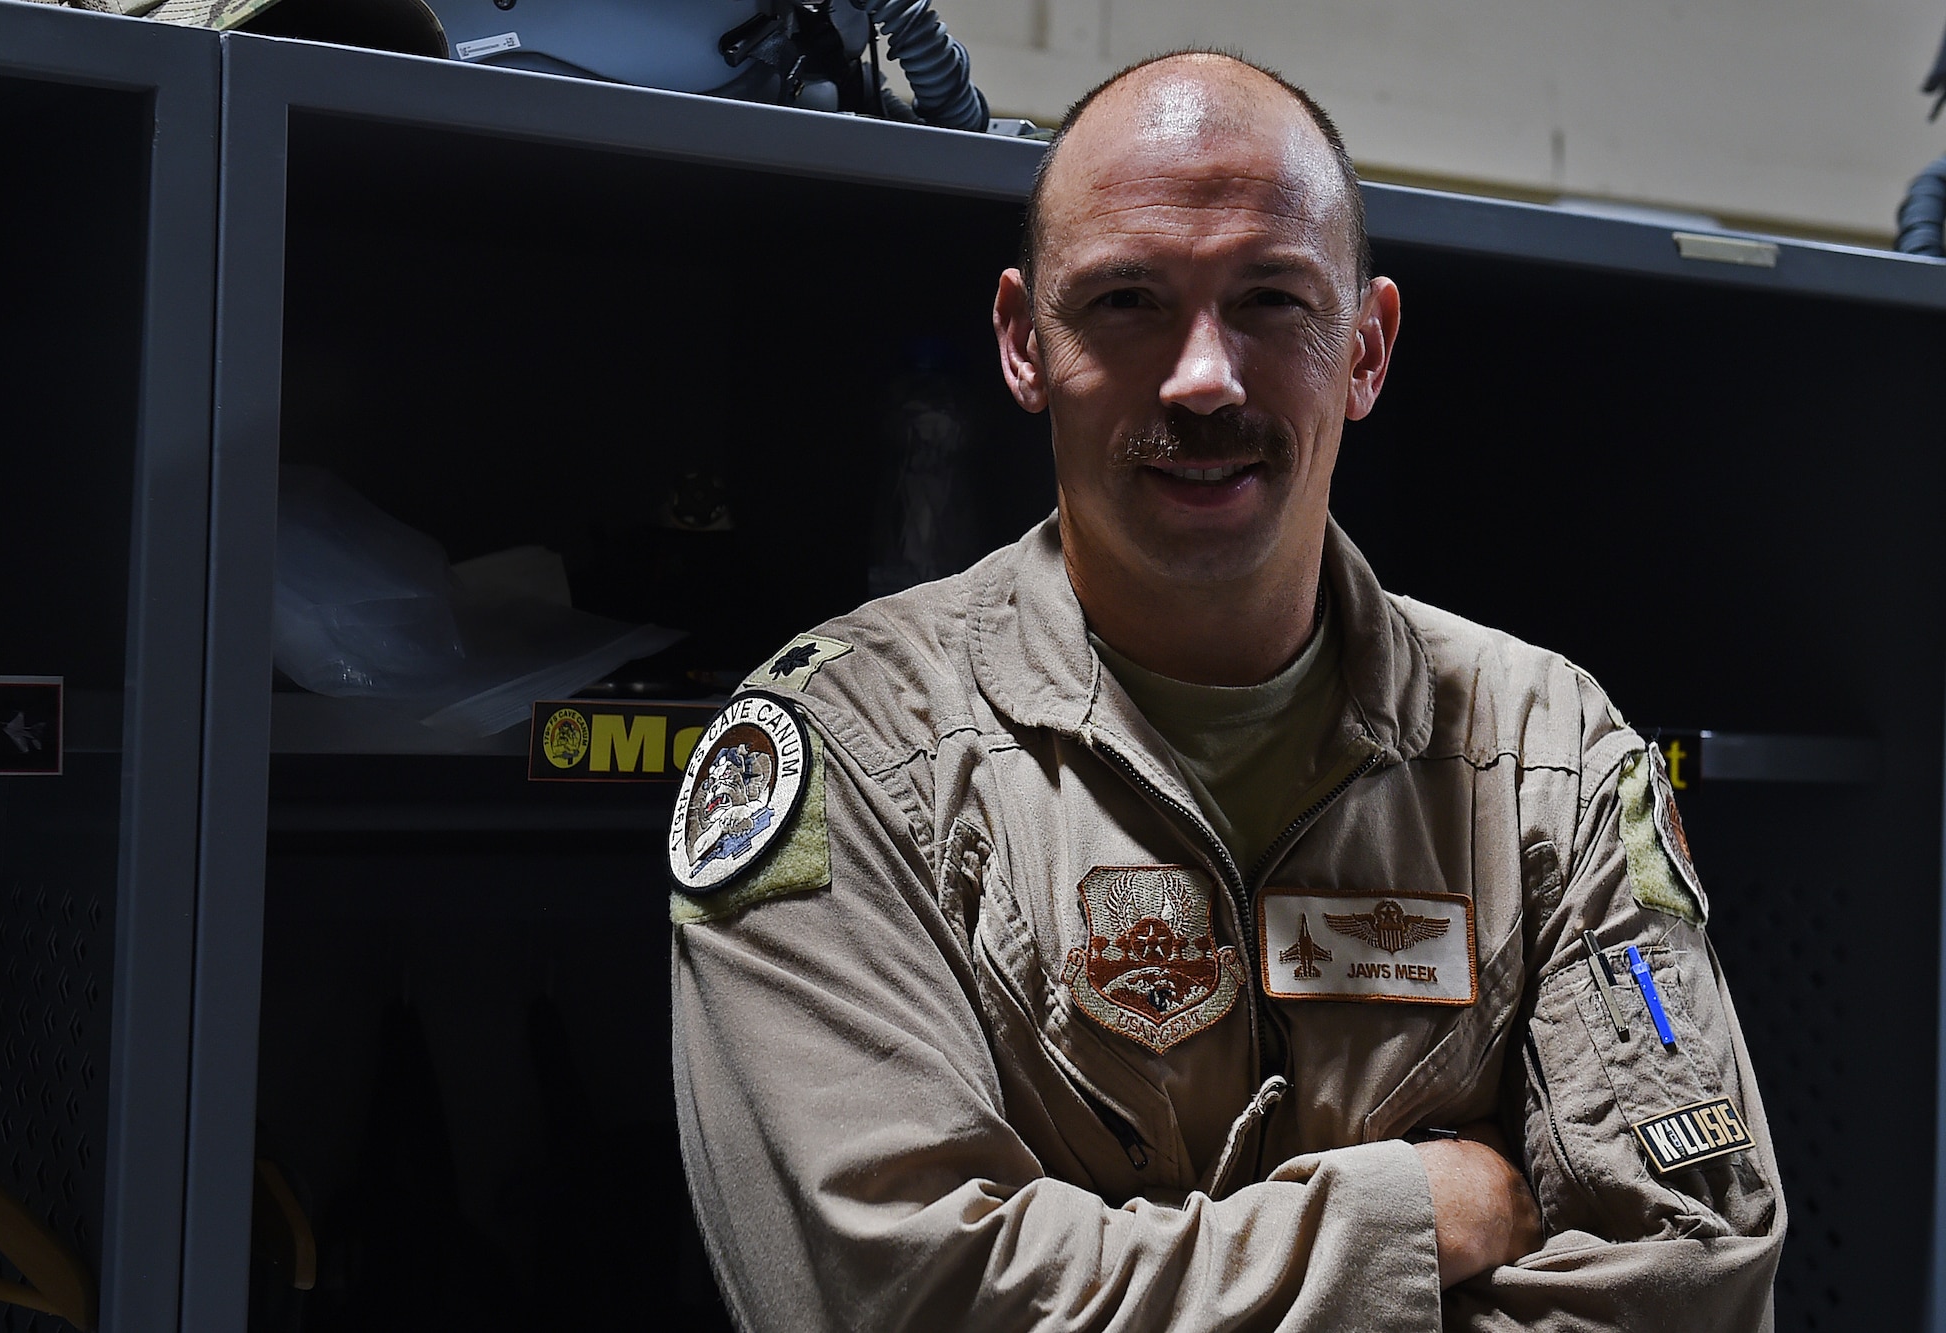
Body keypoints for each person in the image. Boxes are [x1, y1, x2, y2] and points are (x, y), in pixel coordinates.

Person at [668, 48, 1784, 1330]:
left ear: (1363, 351)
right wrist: (1416, 1215)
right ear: (1023, 344)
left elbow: (1690, 1278)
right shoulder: (851, 756)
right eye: (1128, 300)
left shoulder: (1549, 758)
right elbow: (896, 1297)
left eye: (1267, 299)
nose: (1203, 378)